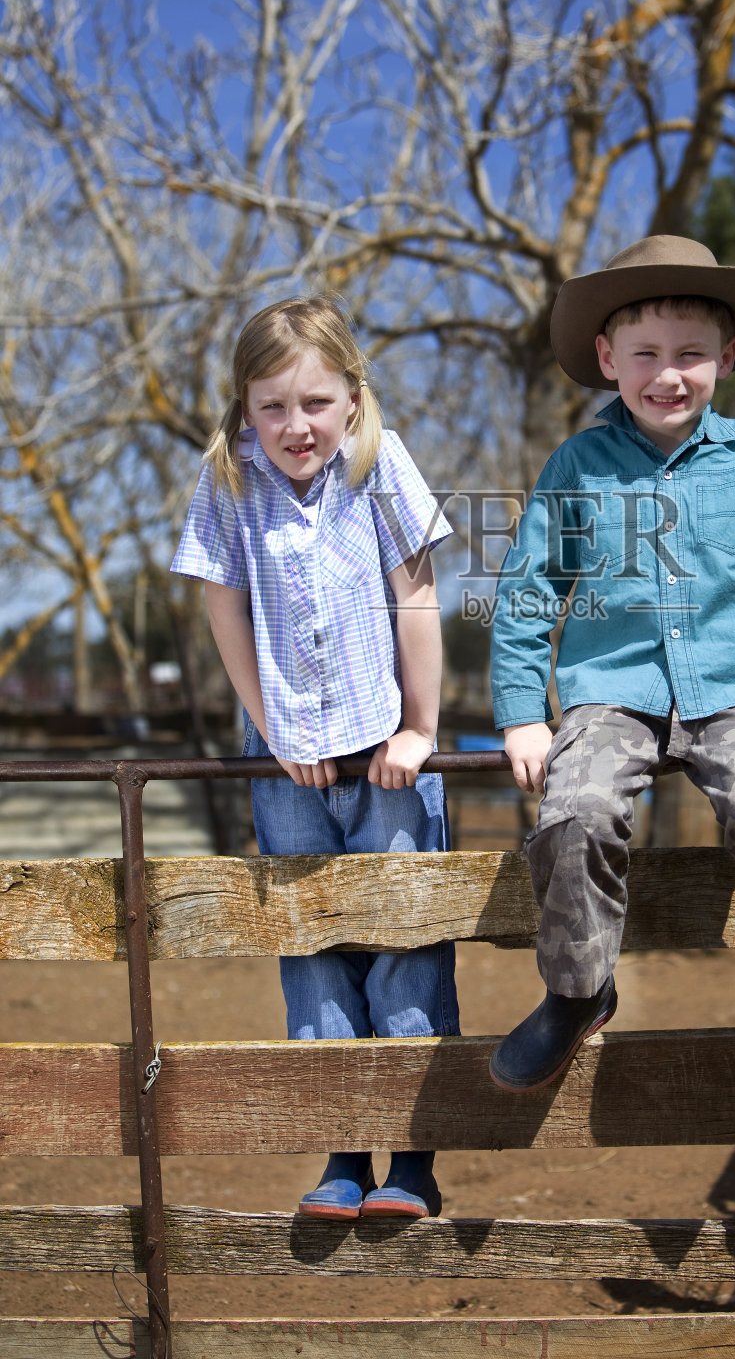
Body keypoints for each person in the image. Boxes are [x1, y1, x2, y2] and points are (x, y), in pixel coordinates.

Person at [489, 235, 735, 1109]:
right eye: (644, 354)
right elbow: (529, 593)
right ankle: (578, 991)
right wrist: (521, 712)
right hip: (612, 691)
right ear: (606, 358)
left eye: (689, 354)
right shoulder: (576, 467)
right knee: (575, 809)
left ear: (724, 359)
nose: (667, 374)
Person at [172, 297, 457, 1220]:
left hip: (386, 744)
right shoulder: (227, 478)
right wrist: (273, 732)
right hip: (286, 752)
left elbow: (416, 595)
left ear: (351, 398)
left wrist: (419, 729)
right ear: (244, 408)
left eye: (315, 403)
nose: (295, 425)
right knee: (311, 943)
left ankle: (411, 1160)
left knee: (404, 936)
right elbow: (224, 610)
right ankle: (342, 1152)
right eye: (272, 406)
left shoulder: (378, 461)